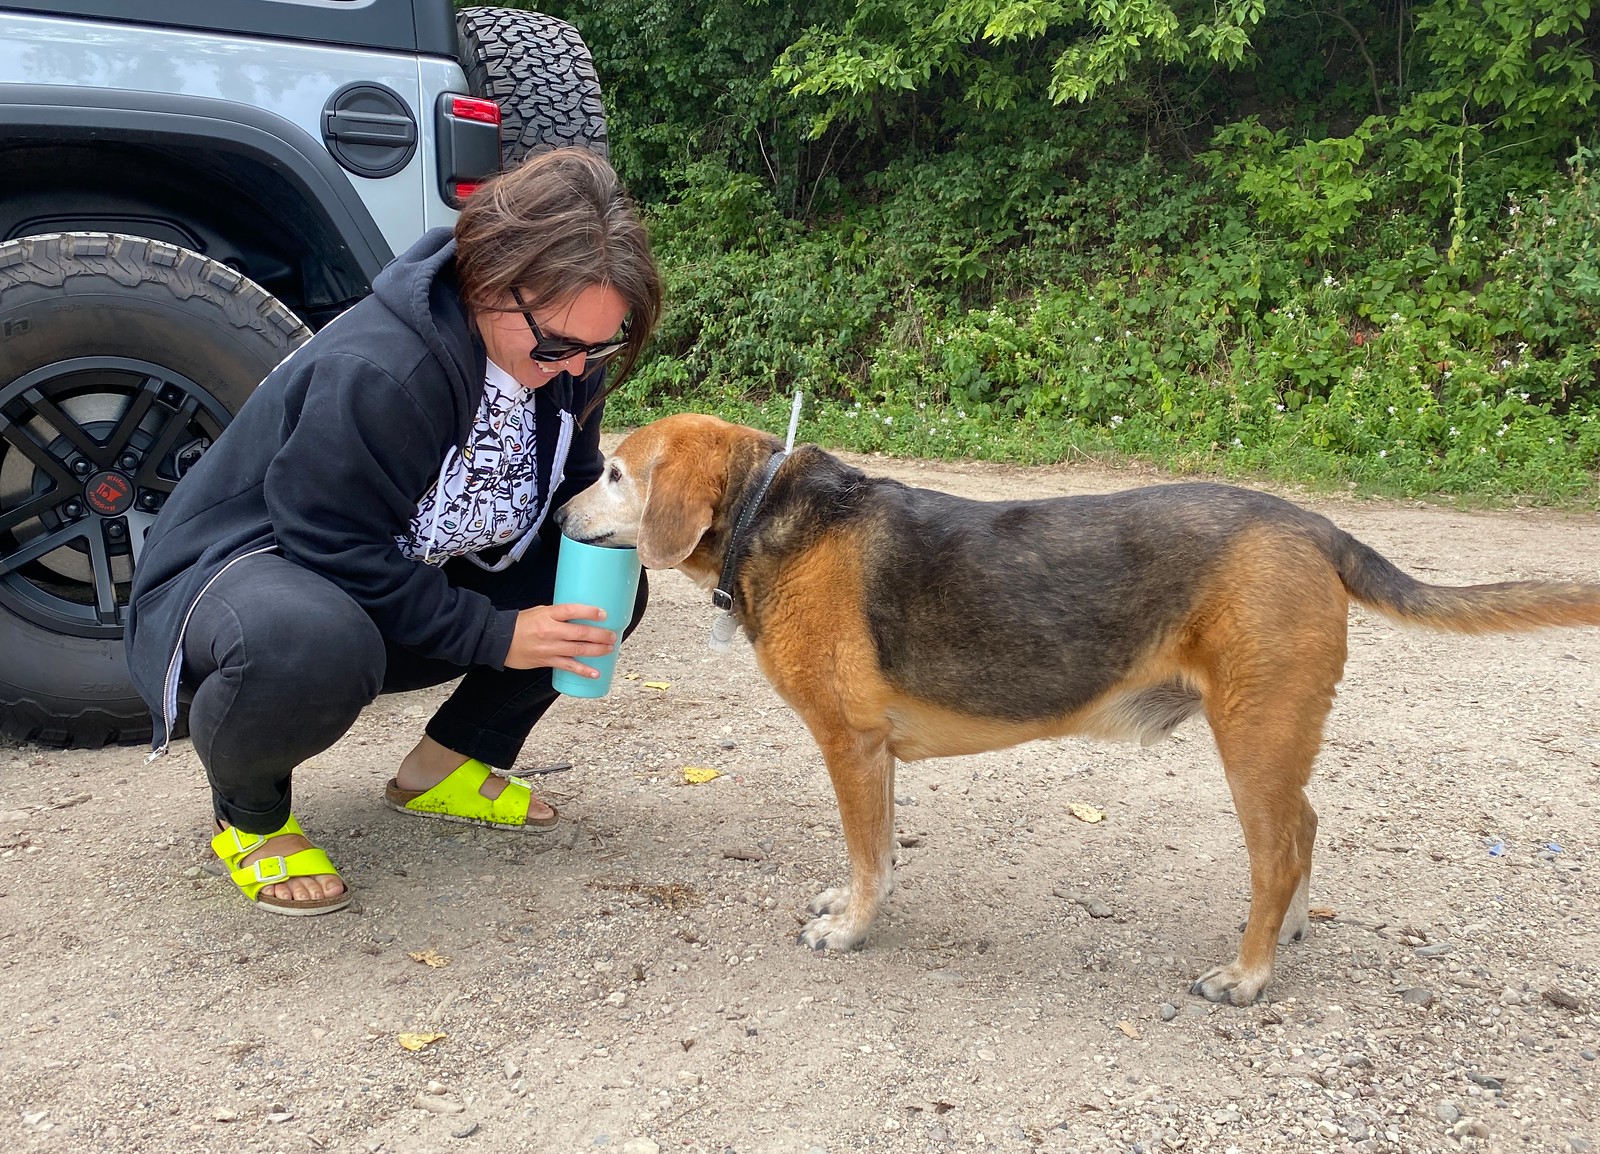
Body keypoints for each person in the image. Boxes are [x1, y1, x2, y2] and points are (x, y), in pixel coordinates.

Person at [125, 147, 662, 916]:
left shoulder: (564, 361)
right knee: (308, 643)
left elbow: (570, 494)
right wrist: (493, 633)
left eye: (599, 347)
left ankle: (440, 768)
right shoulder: (384, 372)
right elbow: (330, 544)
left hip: (389, 575)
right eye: (557, 346)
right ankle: (250, 816)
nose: (577, 370)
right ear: (490, 279)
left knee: (602, 583)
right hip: (251, 578)